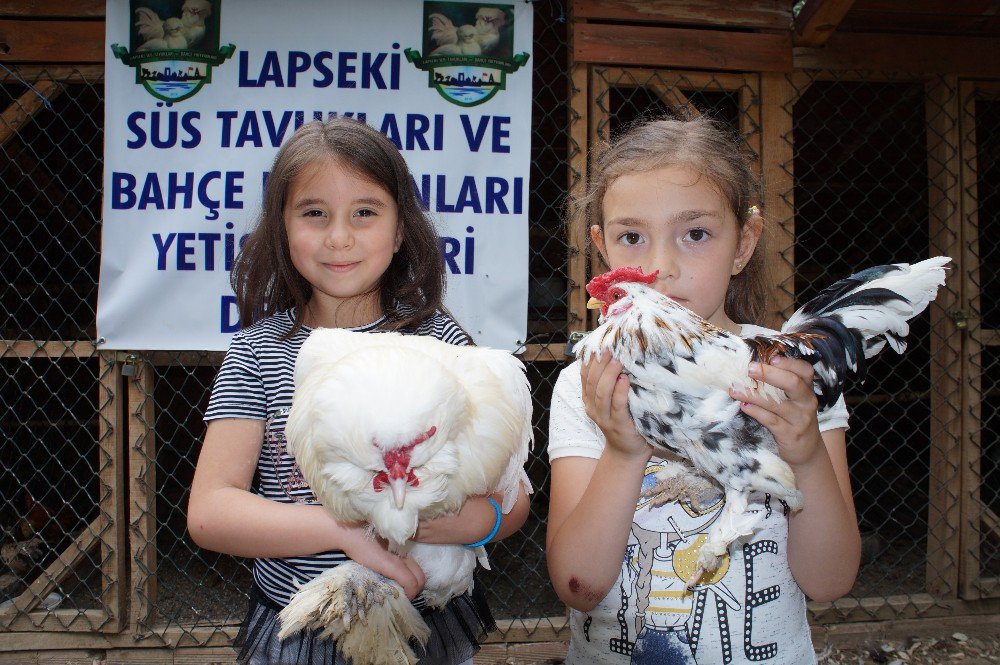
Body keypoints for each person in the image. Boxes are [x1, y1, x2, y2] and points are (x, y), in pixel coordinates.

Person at [187, 117, 530, 665]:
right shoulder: (258, 351)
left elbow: (512, 505)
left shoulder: (437, 340)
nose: (339, 236)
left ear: (398, 232)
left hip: (424, 621)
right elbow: (209, 512)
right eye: (314, 213)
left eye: (365, 213)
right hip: (302, 621)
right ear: (283, 229)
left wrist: (461, 520)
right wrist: (345, 529)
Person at [546, 117, 861, 664]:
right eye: (632, 236)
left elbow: (830, 580)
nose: (662, 267)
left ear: (744, 243)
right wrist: (624, 452)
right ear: (602, 249)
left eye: (695, 234)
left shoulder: (787, 376)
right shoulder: (589, 381)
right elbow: (578, 585)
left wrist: (807, 456)